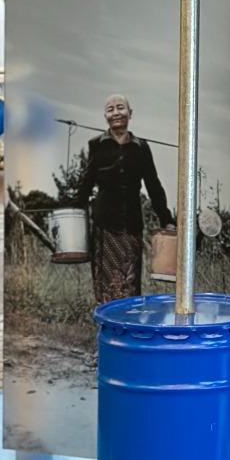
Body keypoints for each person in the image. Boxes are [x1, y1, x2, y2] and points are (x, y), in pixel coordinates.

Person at [75, 94, 174, 305]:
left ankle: (127, 321)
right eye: (110, 109)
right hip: (104, 226)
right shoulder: (97, 145)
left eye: (120, 107)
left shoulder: (141, 147)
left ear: (130, 113)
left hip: (131, 225)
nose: (116, 113)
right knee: (105, 284)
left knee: (130, 282)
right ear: (105, 116)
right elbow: (86, 183)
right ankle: (106, 321)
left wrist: (166, 219)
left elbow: (153, 185)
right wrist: (73, 210)